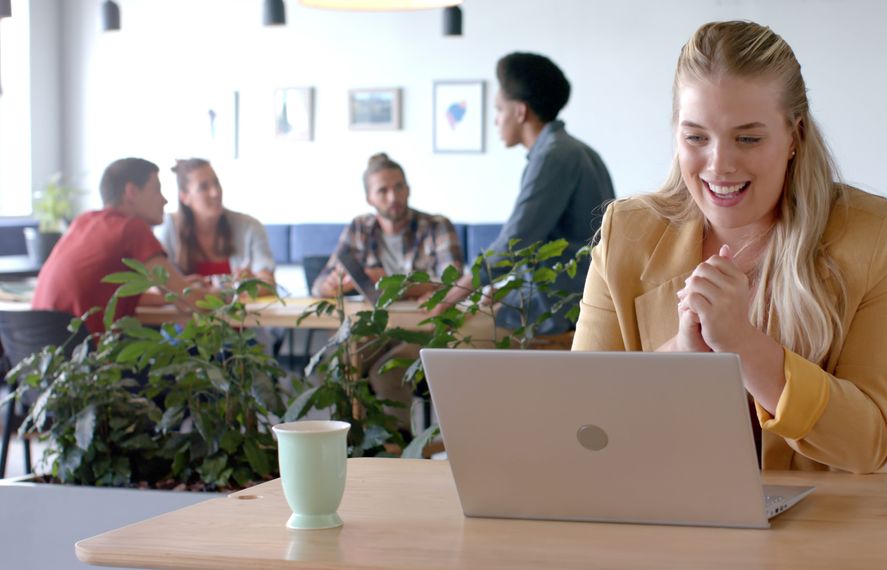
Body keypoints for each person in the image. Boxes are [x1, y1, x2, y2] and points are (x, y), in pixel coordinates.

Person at [570, 21, 887, 474]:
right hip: (664, 524)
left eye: (748, 138)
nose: (719, 164)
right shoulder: (628, 233)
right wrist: (680, 355)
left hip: (826, 533)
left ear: (794, 136)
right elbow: (581, 421)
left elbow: (870, 444)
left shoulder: (870, 234)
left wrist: (743, 345)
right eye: (696, 137)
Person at [436, 52, 615, 335]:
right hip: (578, 298)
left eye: (499, 109)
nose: (496, 120)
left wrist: (451, 295)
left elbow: (516, 241)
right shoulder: (577, 151)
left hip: (559, 307)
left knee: (449, 337)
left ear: (520, 112)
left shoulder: (553, 156)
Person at [312, 153, 466, 431]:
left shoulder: (436, 226)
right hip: (374, 330)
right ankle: (354, 448)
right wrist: (340, 283)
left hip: (424, 330)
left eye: (398, 187)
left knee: (388, 372)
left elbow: (452, 283)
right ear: (370, 198)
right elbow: (320, 284)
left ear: (408, 189)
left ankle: (398, 451)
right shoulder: (360, 228)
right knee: (339, 365)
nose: (393, 197)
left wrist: (388, 281)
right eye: (382, 190)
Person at [33, 158, 206, 334]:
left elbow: (111, 296)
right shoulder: (131, 228)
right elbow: (187, 302)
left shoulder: (83, 222)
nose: (165, 200)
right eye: (157, 190)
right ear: (131, 192)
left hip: (43, 355)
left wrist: (171, 290)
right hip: (85, 356)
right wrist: (230, 296)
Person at [160, 159, 275, 291]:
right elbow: (156, 287)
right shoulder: (167, 227)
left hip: (238, 311)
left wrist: (246, 286)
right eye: (203, 187)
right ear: (184, 197)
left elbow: (267, 283)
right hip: (186, 311)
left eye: (216, 182)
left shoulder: (250, 227)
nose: (215, 192)